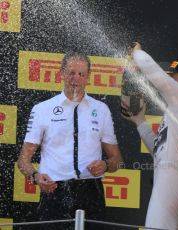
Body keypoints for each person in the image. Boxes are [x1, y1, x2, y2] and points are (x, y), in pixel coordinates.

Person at [17, 51, 123, 230]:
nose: (76, 78)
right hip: (54, 191)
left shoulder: (101, 109)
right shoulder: (42, 109)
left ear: (88, 77)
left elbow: (118, 161)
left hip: (91, 191)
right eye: (72, 73)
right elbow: (23, 160)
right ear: (62, 73)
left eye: (81, 74)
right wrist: (35, 177)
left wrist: (105, 165)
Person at [122, 42, 178, 230]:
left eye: (174, 78)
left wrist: (137, 52)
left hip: (171, 181)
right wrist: (140, 122)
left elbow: (156, 75)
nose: (169, 82)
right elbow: (159, 152)